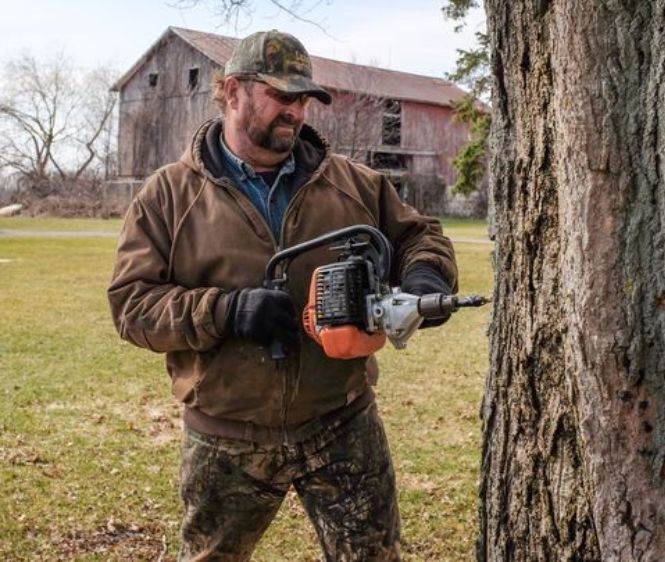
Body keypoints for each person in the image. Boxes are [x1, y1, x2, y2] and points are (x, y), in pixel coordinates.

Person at [108, 29, 457, 561]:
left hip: (341, 422)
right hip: (227, 435)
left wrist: (426, 277)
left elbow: (420, 236)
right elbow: (132, 305)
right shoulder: (167, 196)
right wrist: (225, 311)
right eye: (280, 96)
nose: (294, 112)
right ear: (230, 91)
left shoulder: (353, 184)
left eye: (303, 99)